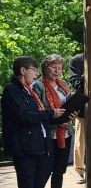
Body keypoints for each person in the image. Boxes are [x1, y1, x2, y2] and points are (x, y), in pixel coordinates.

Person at [1, 56, 65, 188]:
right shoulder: (12, 90)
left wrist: (59, 118)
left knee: (39, 183)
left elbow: (38, 115)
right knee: (27, 183)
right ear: (23, 70)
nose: (36, 73)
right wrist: (51, 112)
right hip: (25, 146)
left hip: (39, 145)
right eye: (34, 70)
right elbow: (24, 116)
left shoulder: (30, 90)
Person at [34, 54, 78, 188]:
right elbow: (38, 110)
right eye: (53, 67)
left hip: (65, 133)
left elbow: (69, 103)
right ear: (45, 68)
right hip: (48, 134)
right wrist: (58, 121)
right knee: (45, 170)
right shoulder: (39, 86)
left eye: (59, 68)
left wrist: (73, 113)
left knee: (60, 169)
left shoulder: (63, 84)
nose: (57, 71)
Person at [68, 53, 86, 184]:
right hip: (84, 107)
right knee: (81, 141)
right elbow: (75, 83)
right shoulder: (77, 60)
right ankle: (79, 171)